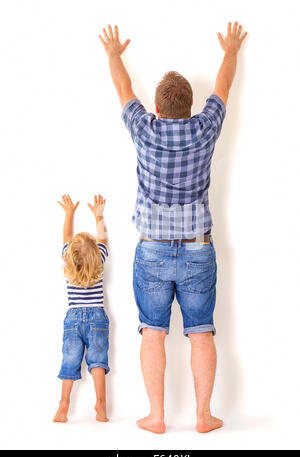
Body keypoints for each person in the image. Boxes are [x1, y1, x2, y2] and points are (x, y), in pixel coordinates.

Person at [99, 22, 247, 433]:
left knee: (152, 333)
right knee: (201, 333)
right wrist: (231, 49)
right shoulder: (206, 128)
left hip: (152, 250)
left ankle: (157, 417)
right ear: (191, 105)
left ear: (158, 109)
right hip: (199, 249)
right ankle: (203, 417)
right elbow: (223, 88)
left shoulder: (144, 130)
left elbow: (124, 90)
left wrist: (114, 54)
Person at [53, 194, 110, 423]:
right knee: (98, 362)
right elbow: (103, 239)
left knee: (69, 361)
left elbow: (66, 236)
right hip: (97, 316)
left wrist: (69, 213)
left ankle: (63, 404)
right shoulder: (101, 258)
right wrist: (99, 215)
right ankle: (102, 406)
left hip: (73, 317)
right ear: (96, 254)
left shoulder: (68, 260)